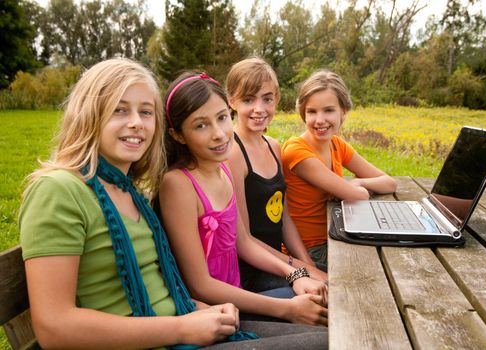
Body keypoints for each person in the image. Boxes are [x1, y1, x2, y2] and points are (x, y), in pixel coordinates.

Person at [18, 58, 323, 349]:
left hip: (185, 321)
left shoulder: (128, 191)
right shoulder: (58, 189)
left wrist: (199, 310)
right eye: (120, 110)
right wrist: (183, 326)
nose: (136, 123)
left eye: (146, 112)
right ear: (89, 114)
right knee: (332, 342)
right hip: (169, 335)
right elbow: (53, 327)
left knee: (331, 328)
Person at [157, 71, 329, 330]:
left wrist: (297, 273)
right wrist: (288, 309)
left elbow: (244, 243)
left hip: (238, 295)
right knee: (326, 319)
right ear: (178, 135)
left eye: (222, 118)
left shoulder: (222, 168)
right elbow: (200, 285)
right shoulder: (178, 184)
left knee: (327, 295)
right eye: (201, 125)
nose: (219, 133)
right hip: (215, 314)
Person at [225, 57, 327, 293]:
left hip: (281, 263)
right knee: (329, 298)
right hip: (253, 273)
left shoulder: (273, 146)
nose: (259, 109)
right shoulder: (232, 153)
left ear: (276, 100)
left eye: (267, 99)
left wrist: (309, 265)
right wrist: (302, 270)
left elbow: (284, 218)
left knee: (339, 280)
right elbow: (245, 240)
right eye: (248, 99)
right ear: (232, 101)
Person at [281, 70, 397, 271]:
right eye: (312, 111)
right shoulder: (297, 152)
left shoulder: (337, 145)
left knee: (393, 254)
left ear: (343, 111)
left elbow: (389, 182)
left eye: (328, 110)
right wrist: (355, 187)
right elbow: (358, 196)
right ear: (303, 113)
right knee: (377, 269)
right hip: (310, 251)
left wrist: (359, 182)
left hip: (334, 236)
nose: (320, 120)